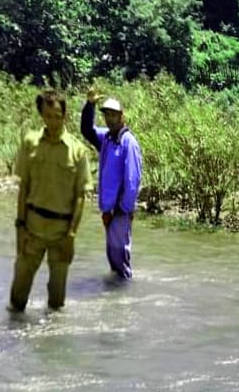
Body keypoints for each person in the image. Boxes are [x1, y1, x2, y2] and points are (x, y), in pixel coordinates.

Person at [9, 90, 92, 313]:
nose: (53, 121)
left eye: (57, 116)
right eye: (48, 116)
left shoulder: (78, 151)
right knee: (17, 298)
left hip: (61, 234)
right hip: (32, 228)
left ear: (65, 116)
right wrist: (20, 227)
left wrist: (71, 236)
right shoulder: (30, 143)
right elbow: (23, 187)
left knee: (57, 303)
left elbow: (81, 197)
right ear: (42, 115)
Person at [81, 90, 143, 279]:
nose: (110, 119)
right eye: (107, 115)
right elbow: (87, 131)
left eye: (113, 115)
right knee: (113, 257)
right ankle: (115, 299)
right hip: (109, 210)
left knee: (119, 256)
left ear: (122, 116)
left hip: (120, 211)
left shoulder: (128, 142)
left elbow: (132, 180)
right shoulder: (106, 138)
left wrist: (122, 209)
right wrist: (89, 105)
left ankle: (125, 297)